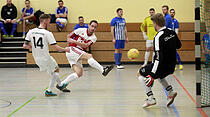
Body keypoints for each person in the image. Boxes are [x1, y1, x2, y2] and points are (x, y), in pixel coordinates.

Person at [137, 13, 181, 108]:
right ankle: (170, 92)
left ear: (155, 23)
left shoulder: (158, 37)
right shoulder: (171, 31)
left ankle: (151, 98)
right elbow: (179, 45)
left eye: (153, 23)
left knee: (140, 73)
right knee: (160, 75)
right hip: (172, 66)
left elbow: (158, 58)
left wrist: (152, 74)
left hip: (162, 66)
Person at [23, 14, 71, 96]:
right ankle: (49, 90)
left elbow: (25, 46)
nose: (50, 23)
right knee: (56, 70)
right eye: (49, 21)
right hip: (45, 57)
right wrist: (65, 49)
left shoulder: (31, 31)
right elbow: (56, 48)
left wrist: (32, 46)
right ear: (45, 21)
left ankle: (60, 85)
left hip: (36, 58)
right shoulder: (47, 33)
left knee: (53, 71)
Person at [58, 20, 114, 90]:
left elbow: (85, 45)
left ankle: (62, 84)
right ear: (89, 25)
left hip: (77, 52)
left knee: (79, 73)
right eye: (92, 26)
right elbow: (68, 36)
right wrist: (68, 46)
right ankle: (103, 70)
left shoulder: (94, 38)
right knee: (89, 56)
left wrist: (74, 41)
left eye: (95, 27)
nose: (93, 28)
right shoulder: (79, 30)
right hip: (72, 50)